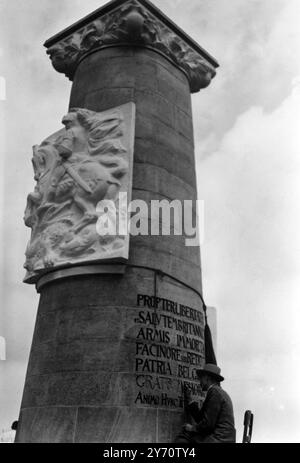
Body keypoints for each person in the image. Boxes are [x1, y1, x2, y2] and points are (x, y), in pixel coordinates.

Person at [175, 363, 236, 443]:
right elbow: (201, 418)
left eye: (201, 378)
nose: (200, 382)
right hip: (223, 437)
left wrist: (192, 428)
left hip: (219, 439)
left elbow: (208, 425)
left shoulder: (215, 392)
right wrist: (191, 401)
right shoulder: (217, 392)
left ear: (207, 378)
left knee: (183, 438)